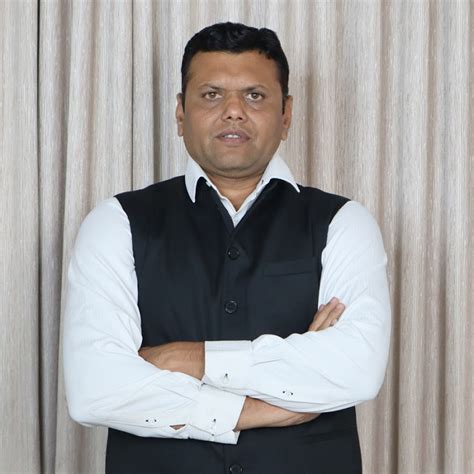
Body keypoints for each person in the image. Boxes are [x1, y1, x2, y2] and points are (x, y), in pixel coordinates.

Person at [63, 21, 391, 474]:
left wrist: (188, 359)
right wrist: (261, 407)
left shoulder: (344, 223)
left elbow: (357, 370)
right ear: (180, 113)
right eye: (211, 94)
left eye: (254, 95)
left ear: (286, 114)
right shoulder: (115, 222)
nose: (234, 111)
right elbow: (94, 389)